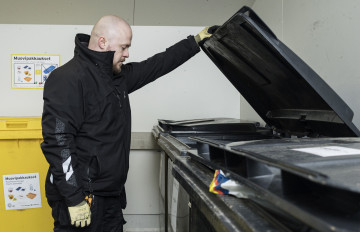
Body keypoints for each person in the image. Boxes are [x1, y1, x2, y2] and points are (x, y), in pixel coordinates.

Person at [41, 15, 217, 232]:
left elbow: (156, 65)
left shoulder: (117, 78)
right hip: (83, 196)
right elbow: (58, 142)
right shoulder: (68, 78)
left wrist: (195, 42)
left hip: (110, 196)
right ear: (104, 42)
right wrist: (74, 197)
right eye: (124, 47)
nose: (127, 54)